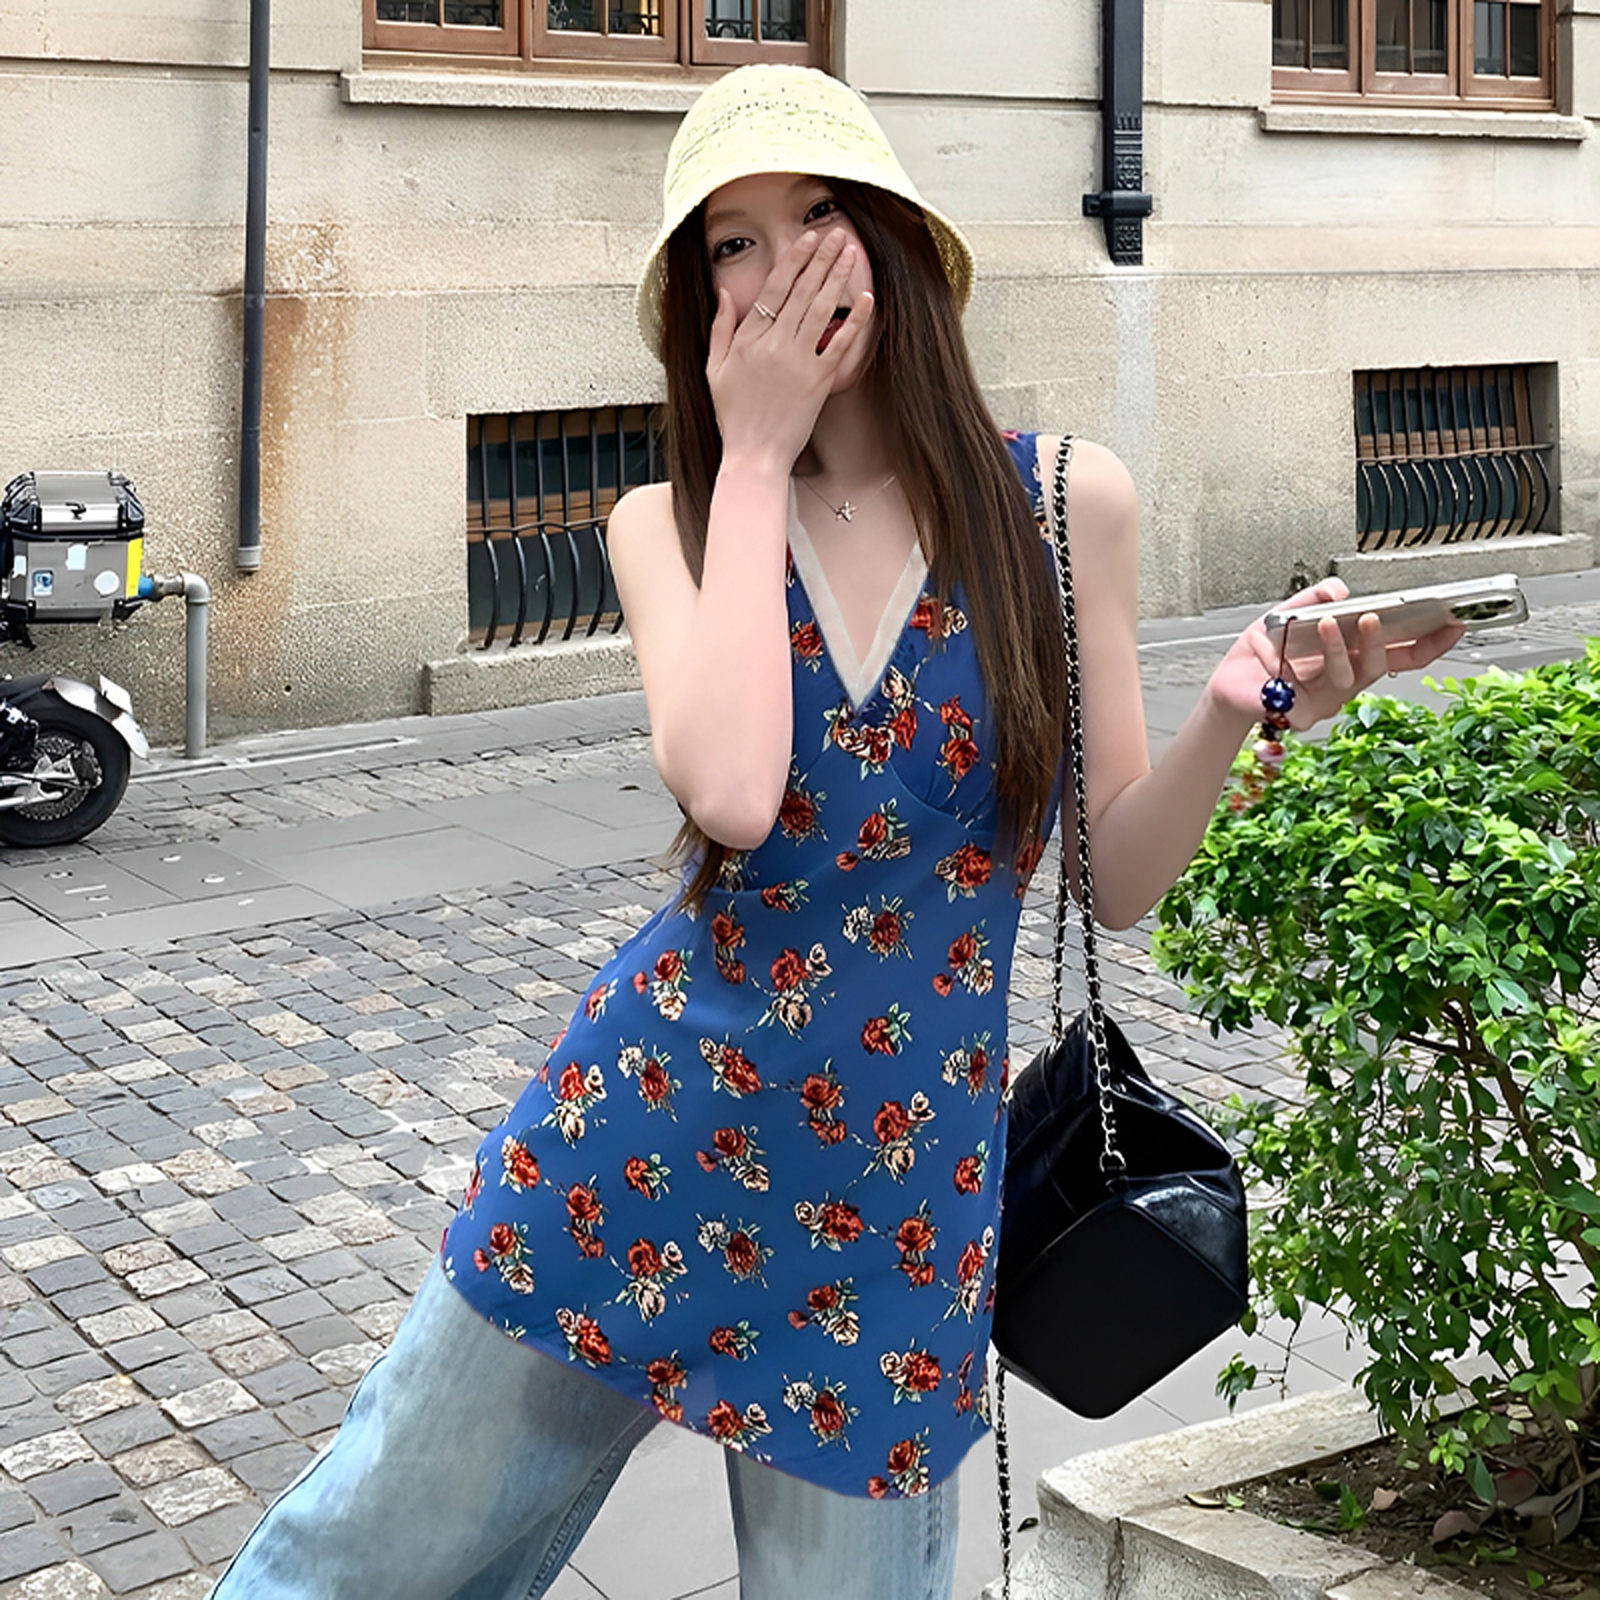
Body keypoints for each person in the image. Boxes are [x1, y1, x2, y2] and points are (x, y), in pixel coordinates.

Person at [209, 64, 1462, 1600]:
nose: (783, 265)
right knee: (349, 1569)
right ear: (701, 301)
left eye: (816, 215)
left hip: (893, 1219)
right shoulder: (670, 523)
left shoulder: (1064, 503)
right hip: (633, 1154)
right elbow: (735, 795)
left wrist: (1232, 710)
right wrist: (753, 455)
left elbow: (1116, 882)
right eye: (733, 243)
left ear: (894, 239)